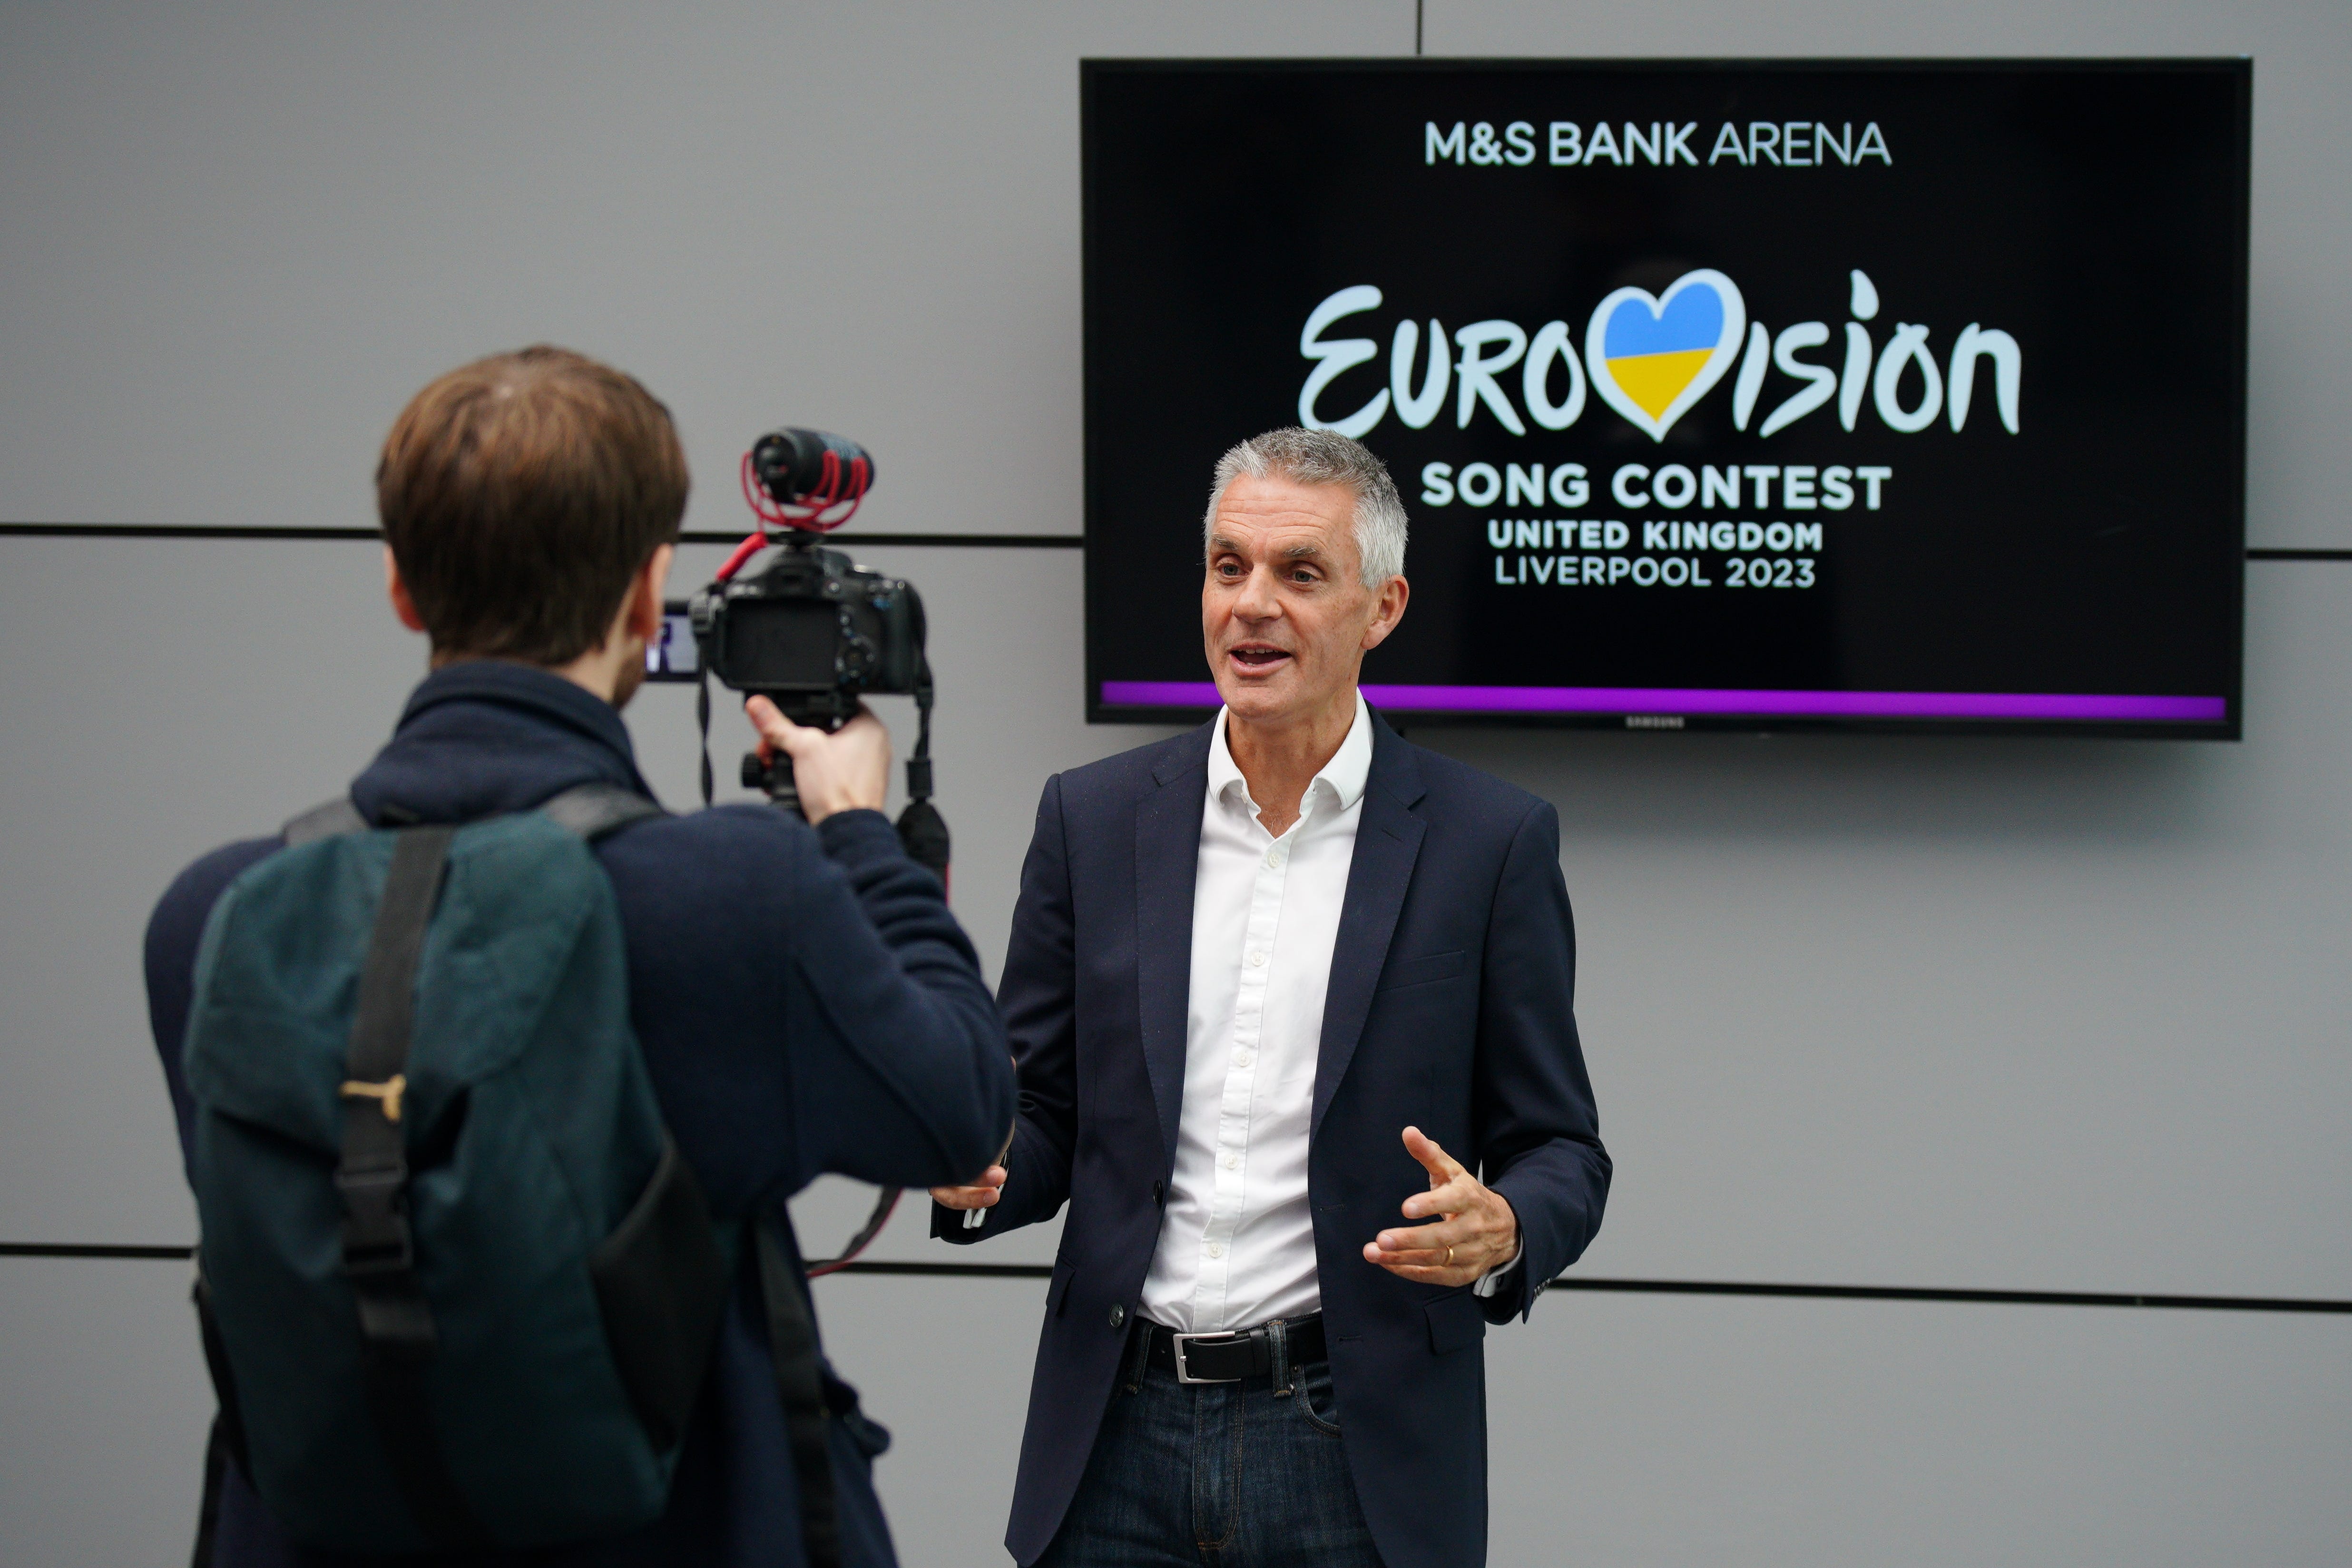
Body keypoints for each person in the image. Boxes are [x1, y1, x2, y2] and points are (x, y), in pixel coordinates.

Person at [143, 346, 1016, 1567]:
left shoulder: (216, 917)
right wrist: (863, 836)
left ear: (402, 586)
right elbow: (960, 1112)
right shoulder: (728, 897)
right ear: (642, 594)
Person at [932, 427, 1610, 1568]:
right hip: (1114, 1434)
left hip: (1349, 1443)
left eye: (1300, 574)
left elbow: (1561, 1149)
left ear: (1382, 608)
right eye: (1229, 566)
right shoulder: (1090, 823)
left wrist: (1505, 1228)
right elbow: (1041, 1116)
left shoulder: (1488, 844)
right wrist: (981, 1163)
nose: (1252, 605)